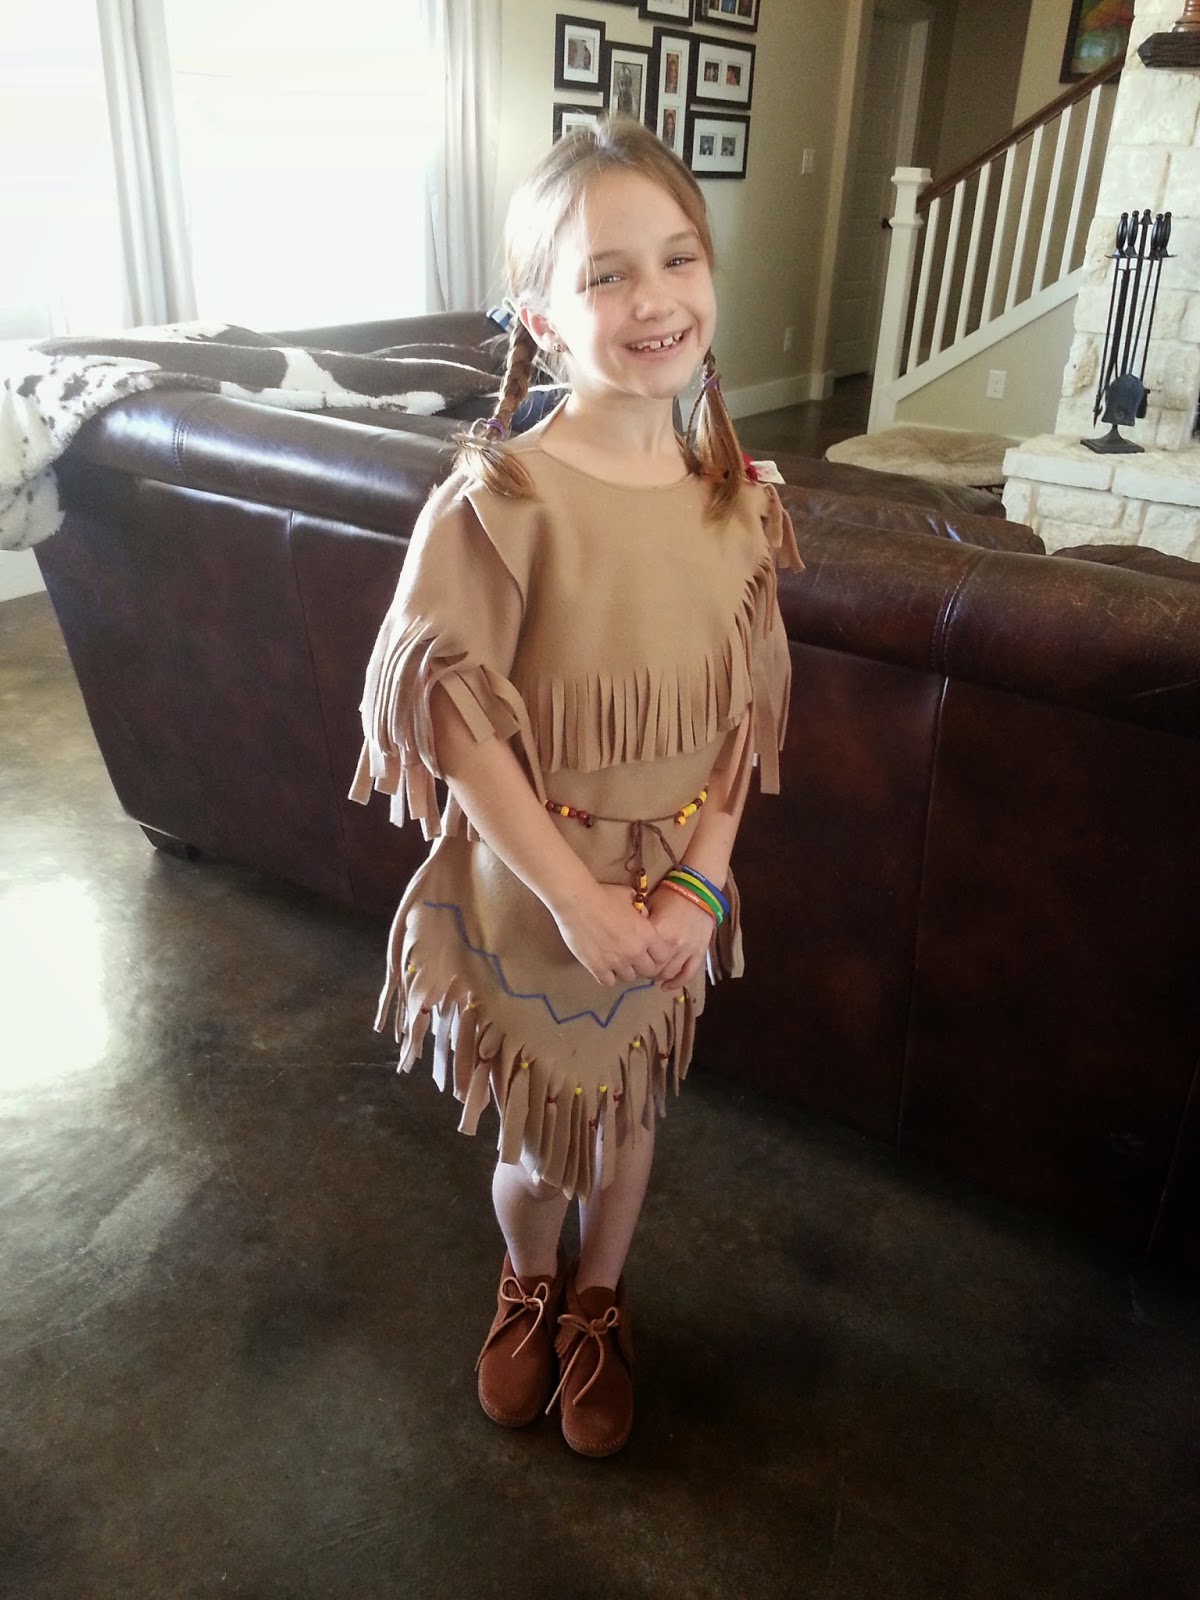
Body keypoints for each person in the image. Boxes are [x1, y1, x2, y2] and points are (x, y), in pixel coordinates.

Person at [350, 116, 801, 1458]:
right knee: (545, 1144)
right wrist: (582, 905)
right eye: (608, 274)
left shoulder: (738, 503)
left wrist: (698, 887)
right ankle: (532, 1277)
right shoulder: (500, 498)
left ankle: (603, 1298)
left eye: (678, 258)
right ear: (542, 320)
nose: (656, 299)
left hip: (671, 895)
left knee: (635, 1117)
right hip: (542, 898)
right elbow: (451, 719)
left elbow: (742, 722)